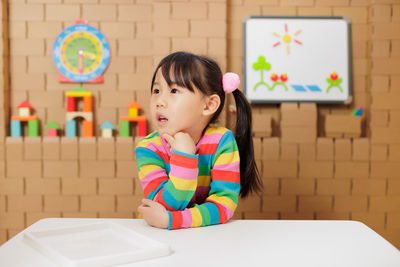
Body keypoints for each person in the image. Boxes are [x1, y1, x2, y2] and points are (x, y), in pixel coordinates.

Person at [135, 51, 262, 230]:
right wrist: (184, 158)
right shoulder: (148, 148)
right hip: (159, 235)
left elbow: (223, 206)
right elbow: (162, 205)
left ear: (209, 105)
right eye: (156, 90)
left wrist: (172, 221)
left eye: (173, 90)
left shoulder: (221, 142)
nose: (159, 101)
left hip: (206, 237)